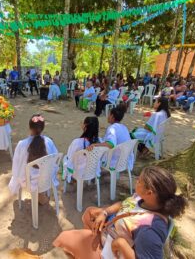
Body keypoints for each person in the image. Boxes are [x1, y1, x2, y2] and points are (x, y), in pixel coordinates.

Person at [53, 166, 187, 259]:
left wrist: (121, 244)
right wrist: (104, 212)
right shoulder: (144, 199)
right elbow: (125, 204)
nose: (136, 181)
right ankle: (90, 243)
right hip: (110, 234)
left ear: (149, 192)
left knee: (63, 239)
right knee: (89, 213)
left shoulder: (149, 230)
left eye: (139, 180)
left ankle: (91, 249)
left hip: (110, 252)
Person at [8, 114, 58, 204]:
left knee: (24, 172)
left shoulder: (22, 144)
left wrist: (16, 178)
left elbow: (16, 166)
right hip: (47, 178)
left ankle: (39, 193)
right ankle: (41, 194)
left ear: (29, 127)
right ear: (43, 128)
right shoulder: (49, 141)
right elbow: (55, 158)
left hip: (27, 181)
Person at [89, 104, 133, 170]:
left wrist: (95, 144)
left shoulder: (112, 128)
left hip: (116, 160)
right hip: (126, 159)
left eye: (109, 114)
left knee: (92, 148)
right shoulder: (124, 127)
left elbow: (111, 144)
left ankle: (92, 171)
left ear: (112, 116)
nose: (108, 116)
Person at [63, 116, 100, 182]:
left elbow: (70, 158)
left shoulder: (77, 142)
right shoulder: (99, 142)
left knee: (65, 158)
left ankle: (68, 178)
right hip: (92, 171)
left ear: (85, 126)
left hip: (78, 172)